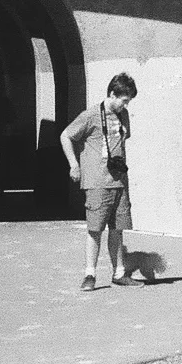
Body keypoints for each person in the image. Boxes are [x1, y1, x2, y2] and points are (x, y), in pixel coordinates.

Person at [60, 73, 140, 291]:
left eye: (128, 101)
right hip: (97, 181)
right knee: (95, 229)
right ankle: (90, 274)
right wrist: (74, 164)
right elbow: (66, 135)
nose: (126, 105)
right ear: (112, 94)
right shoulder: (91, 115)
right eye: (124, 100)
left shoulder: (123, 115)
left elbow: (122, 139)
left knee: (118, 229)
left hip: (119, 181)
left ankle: (119, 273)